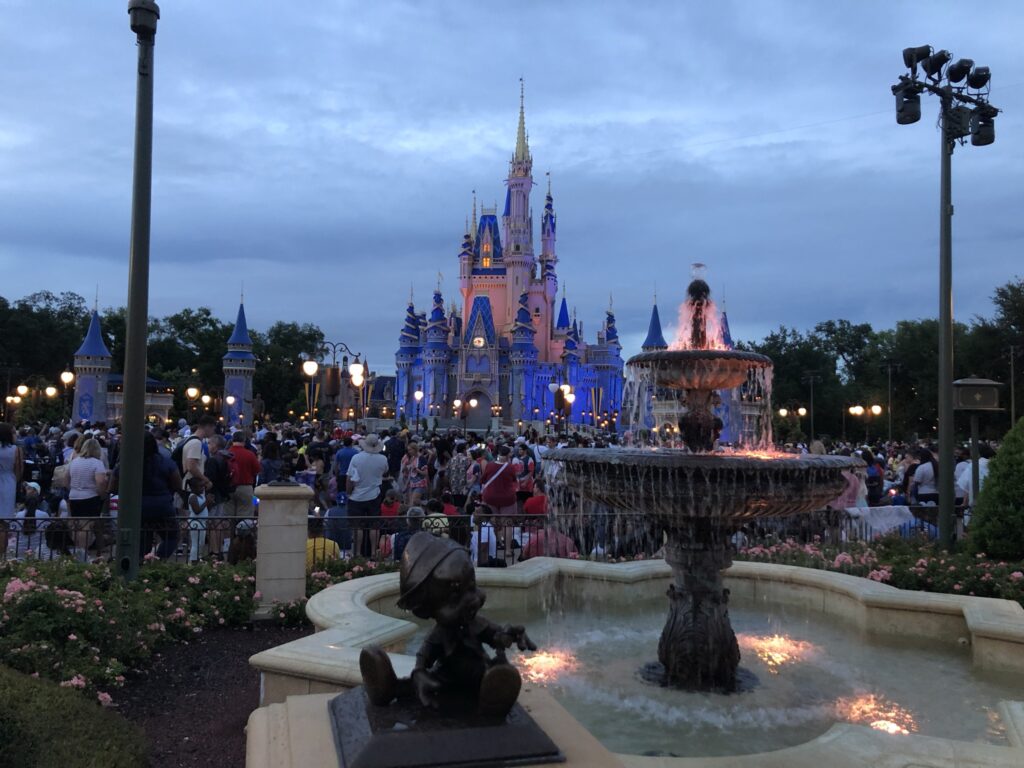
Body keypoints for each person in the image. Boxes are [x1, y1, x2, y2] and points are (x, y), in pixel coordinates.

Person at [347, 434, 388, 557]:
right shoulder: (383, 459)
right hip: (374, 494)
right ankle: (373, 552)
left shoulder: (356, 458)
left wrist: (348, 492)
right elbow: (385, 471)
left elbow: (349, 478)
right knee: (374, 525)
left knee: (357, 526)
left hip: (357, 495)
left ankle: (357, 553)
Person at [227, 431, 260, 518]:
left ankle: (230, 531)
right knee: (245, 516)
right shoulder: (250, 454)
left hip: (228, 488)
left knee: (228, 517)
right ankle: (243, 531)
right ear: (244, 440)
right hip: (245, 487)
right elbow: (257, 470)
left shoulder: (226, 453)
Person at [481, 446, 517, 516]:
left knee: (493, 521)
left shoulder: (489, 465)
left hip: (490, 497)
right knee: (506, 523)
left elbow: (483, 480)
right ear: (508, 456)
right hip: (507, 498)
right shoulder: (511, 467)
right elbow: (514, 479)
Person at [186, 475, 211, 563]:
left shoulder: (201, 496)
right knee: (195, 543)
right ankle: (193, 560)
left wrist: (209, 502)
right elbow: (196, 510)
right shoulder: (193, 497)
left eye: (203, 486)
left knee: (201, 543)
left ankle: (198, 558)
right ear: (193, 488)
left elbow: (205, 508)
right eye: (200, 487)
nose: (202, 489)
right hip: (195, 522)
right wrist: (206, 502)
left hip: (202, 522)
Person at [0, 423, 22, 517]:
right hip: (9, 479)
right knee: (7, 508)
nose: (15, 434)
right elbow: (18, 469)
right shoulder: (16, 450)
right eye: (13, 432)